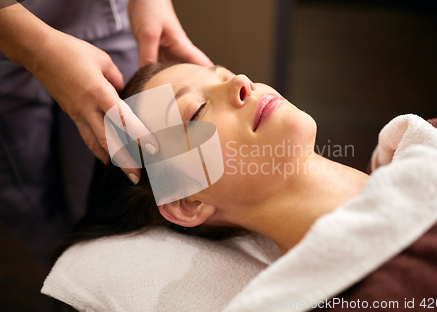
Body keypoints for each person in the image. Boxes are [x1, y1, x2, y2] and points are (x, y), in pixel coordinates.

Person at [0, 0, 212, 263]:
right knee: (22, 196)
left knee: (107, 189)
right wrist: (34, 48)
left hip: (99, 4)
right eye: (197, 111)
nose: (243, 81)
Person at [56, 61, 371, 258]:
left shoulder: (412, 150)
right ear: (188, 202)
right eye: (196, 111)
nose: (241, 81)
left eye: (226, 75)